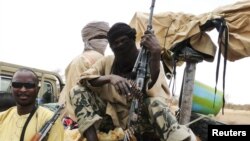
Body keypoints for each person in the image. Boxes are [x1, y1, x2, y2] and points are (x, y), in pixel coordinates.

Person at [69, 22, 196, 141]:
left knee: (155, 103)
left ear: (132, 39)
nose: (119, 46)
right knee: (77, 91)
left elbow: (152, 85)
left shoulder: (148, 60)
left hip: (142, 120)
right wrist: (110, 78)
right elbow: (84, 79)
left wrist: (156, 54)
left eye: (123, 41)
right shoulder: (107, 61)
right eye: (115, 44)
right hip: (113, 120)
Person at [58, 21, 110, 122]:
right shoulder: (100, 59)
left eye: (105, 37)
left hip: (68, 118)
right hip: (89, 119)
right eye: (99, 37)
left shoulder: (74, 60)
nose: (104, 41)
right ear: (88, 39)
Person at [0, 68, 64, 141]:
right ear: (11, 88)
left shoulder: (50, 120)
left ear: (38, 89)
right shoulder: (2, 117)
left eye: (29, 85)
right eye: (17, 85)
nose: (23, 90)